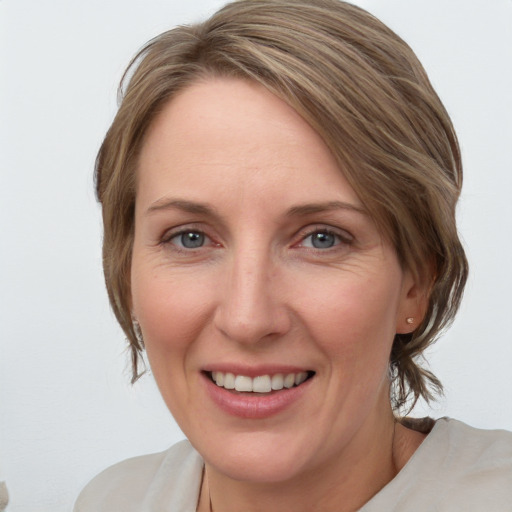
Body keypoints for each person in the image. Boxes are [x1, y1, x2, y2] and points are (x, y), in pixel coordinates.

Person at [74, 0, 512, 510]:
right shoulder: (113, 499)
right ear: (127, 273)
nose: (247, 318)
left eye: (322, 238)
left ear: (416, 282)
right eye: (189, 238)